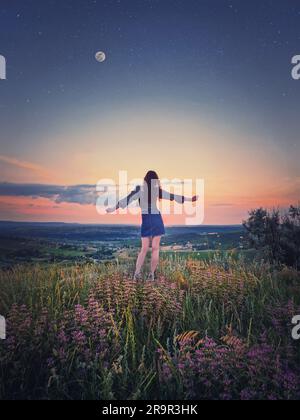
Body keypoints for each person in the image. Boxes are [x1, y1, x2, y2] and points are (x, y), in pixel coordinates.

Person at [106, 171, 198, 281]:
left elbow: (127, 200)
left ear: (145, 179)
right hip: (156, 219)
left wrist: (112, 208)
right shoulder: (157, 191)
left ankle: (137, 273)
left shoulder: (140, 190)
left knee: (144, 249)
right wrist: (190, 199)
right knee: (155, 249)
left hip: (146, 219)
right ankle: (151, 275)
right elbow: (173, 196)